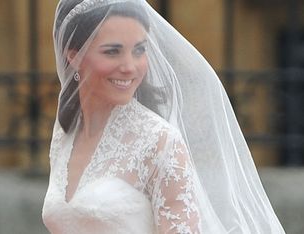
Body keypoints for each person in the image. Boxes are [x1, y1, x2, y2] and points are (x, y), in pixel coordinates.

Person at [42, 0, 285, 233]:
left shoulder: (159, 141)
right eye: (112, 51)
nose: (130, 66)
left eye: (139, 50)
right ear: (73, 56)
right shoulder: (64, 135)